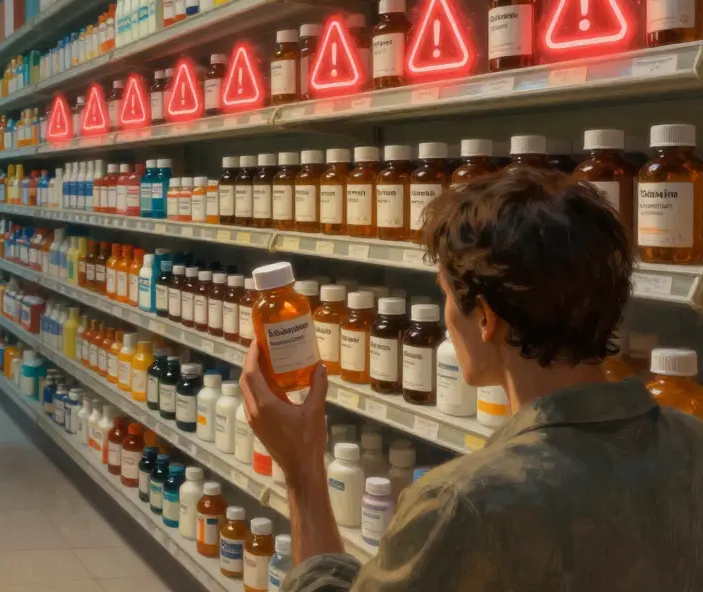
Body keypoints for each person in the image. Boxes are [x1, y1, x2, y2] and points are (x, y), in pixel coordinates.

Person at [241, 168, 703, 590]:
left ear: (485, 317)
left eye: (444, 294)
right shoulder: (692, 442)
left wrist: (303, 472)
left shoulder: (465, 505)